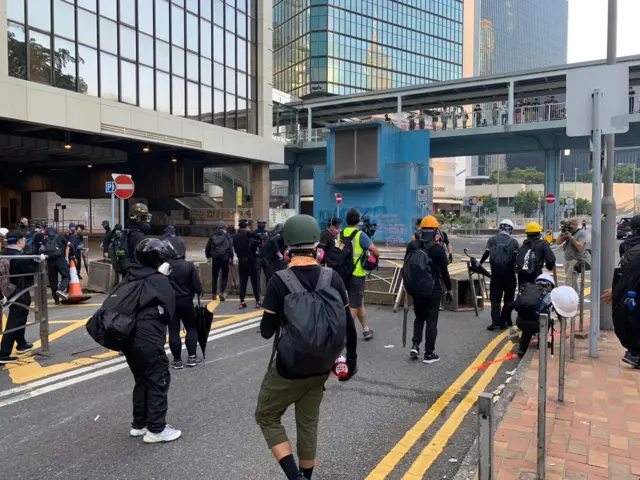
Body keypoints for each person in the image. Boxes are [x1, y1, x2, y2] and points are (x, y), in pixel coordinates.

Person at [255, 214, 357, 480]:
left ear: (287, 246)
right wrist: (351, 363)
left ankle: (294, 477)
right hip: (322, 365)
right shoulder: (332, 277)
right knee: (308, 423)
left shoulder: (279, 281)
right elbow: (348, 325)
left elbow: (267, 332)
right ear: (316, 246)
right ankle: (307, 476)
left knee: (266, 415)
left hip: (289, 367)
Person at [119, 238, 180, 443]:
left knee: (141, 379)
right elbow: (169, 312)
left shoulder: (130, 276)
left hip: (127, 336)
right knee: (158, 379)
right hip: (148, 337)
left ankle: (140, 424)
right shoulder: (159, 280)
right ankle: (156, 429)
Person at [405, 216, 453, 363]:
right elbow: (444, 272)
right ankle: (429, 353)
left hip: (417, 287)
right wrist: (449, 289)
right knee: (432, 320)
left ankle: (415, 345)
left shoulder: (412, 245)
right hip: (433, 288)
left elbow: (407, 267)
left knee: (419, 317)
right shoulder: (437, 248)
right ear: (435, 231)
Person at [0, 230, 46, 364]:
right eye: (24, 239)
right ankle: (3, 353)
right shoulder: (19, 256)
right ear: (20, 240)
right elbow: (32, 271)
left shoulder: (3, 254)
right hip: (18, 291)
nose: (25, 242)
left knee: (21, 315)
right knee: (14, 320)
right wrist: (39, 261)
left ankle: (21, 343)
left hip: (6, 291)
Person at [343, 208, 380, 340]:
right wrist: (374, 257)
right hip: (357, 274)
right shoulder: (360, 235)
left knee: (358, 302)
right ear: (358, 221)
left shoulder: (341, 234)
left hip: (343, 273)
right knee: (354, 304)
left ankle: (366, 330)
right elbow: (376, 251)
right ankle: (343, 334)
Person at [166, 236, 203, 369]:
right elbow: (197, 286)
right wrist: (199, 292)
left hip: (170, 303)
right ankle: (192, 357)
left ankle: (176, 360)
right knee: (191, 328)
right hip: (186, 301)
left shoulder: (165, 267)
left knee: (173, 331)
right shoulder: (189, 265)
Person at [480, 219, 519, 332]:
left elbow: (486, 254)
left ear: (500, 228)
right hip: (510, 275)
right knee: (508, 299)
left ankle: (495, 322)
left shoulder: (492, 240)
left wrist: (480, 263)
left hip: (496, 275)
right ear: (510, 230)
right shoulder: (514, 242)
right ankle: (504, 321)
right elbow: (516, 259)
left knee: (495, 299)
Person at [109, 203, 152, 274]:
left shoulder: (125, 234)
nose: (147, 222)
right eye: (145, 218)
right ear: (138, 219)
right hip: (138, 274)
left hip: (126, 272)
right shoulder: (140, 237)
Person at [515, 222, 556, 288]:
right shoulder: (543, 244)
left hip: (522, 275)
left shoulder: (524, 245)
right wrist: (550, 267)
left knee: (523, 294)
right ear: (539, 234)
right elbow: (550, 259)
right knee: (535, 294)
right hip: (535, 275)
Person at [233, 219, 261, 309]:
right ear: (246, 226)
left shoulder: (235, 236)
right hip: (251, 260)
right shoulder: (250, 234)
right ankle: (257, 301)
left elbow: (235, 250)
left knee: (243, 282)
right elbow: (258, 240)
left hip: (241, 260)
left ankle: (242, 302)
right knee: (255, 281)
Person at [555, 218, 588, 292]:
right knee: (574, 281)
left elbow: (580, 245)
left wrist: (571, 238)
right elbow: (557, 242)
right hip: (567, 259)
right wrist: (562, 234)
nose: (570, 228)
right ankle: (577, 299)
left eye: (571, 226)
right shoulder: (568, 232)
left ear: (575, 225)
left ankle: (568, 298)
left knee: (569, 280)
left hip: (576, 260)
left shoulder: (581, 233)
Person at [42, 226, 71, 303]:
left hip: (50, 261)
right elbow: (69, 244)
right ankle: (61, 289)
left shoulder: (45, 240)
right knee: (66, 276)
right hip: (60, 260)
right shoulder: (60, 237)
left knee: (53, 281)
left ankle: (56, 300)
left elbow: (41, 250)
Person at [205, 220, 233, 301]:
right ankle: (222, 293)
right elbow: (230, 247)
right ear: (224, 228)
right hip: (225, 259)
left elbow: (208, 248)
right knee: (224, 276)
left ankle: (213, 295)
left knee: (214, 276)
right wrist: (231, 257)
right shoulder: (227, 236)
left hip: (215, 259)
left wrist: (208, 256)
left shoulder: (212, 236)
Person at [252, 218, 273, 284]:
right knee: (257, 276)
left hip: (266, 257)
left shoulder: (268, 233)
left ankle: (268, 291)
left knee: (269, 275)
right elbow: (251, 243)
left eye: (263, 223)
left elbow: (271, 244)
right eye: (260, 223)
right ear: (258, 224)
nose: (262, 224)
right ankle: (258, 293)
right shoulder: (254, 233)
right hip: (257, 256)